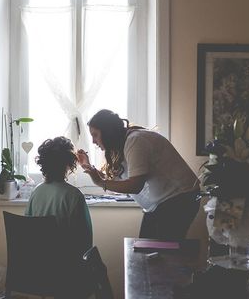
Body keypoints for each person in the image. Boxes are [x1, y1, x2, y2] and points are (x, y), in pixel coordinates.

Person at [77, 109, 200, 241]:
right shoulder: (124, 144)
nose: (93, 141)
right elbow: (117, 180)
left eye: (95, 135)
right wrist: (88, 167)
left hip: (178, 199)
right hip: (162, 203)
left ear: (107, 132)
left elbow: (135, 186)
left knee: (158, 253)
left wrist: (100, 183)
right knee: (145, 248)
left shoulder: (135, 141)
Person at [25, 136, 93, 264]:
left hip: (37, 264)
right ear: (69, 164)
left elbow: (27, 231)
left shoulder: (36, 193)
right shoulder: (74, 195)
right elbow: (86, 241)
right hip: (65, 266)